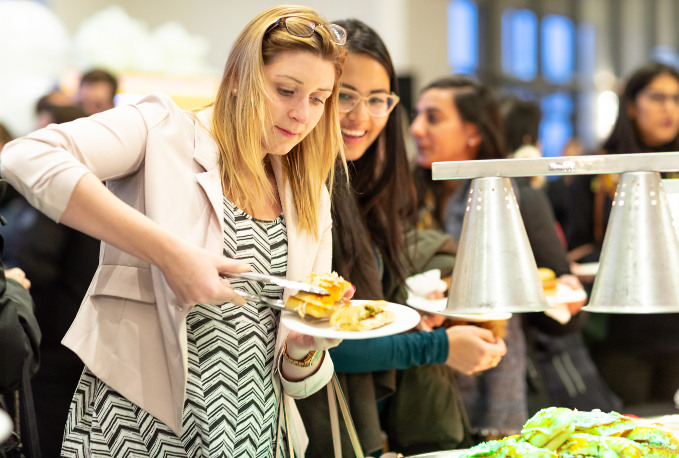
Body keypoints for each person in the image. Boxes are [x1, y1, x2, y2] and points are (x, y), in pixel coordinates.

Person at [1, 5, 349, 457]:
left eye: (319, 98)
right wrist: (169, 254)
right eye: (286, 90)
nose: (302, 114)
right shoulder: (162, 129)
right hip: (135, 428)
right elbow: (25, 157)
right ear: (241, 76)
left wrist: (305, 345)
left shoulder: (308, 196)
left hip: (252, 432)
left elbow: (296, 380)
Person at [295, 20, 507, 457]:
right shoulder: (299, 192)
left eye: (378, 100)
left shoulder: (369, 187)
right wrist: (436, 346)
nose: (361, 117)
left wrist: (421, 309)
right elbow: (312, 343)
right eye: (345, 96)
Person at [410, 76, 585, 439]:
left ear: (472, 132)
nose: (415, 129)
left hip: (503, 376)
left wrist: (563, 297)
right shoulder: (405, 199)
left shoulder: (518, 198)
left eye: (433, 117)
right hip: (419, 382)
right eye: (416, 115)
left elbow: (561, 322)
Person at [563, 61, 679, 412]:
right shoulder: (596, 168)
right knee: (627, 427)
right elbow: (574, 247)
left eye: (676, 98)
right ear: (631, 104)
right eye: (657, 97)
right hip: (619, 329)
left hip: (675, 327)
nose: (669, 108)